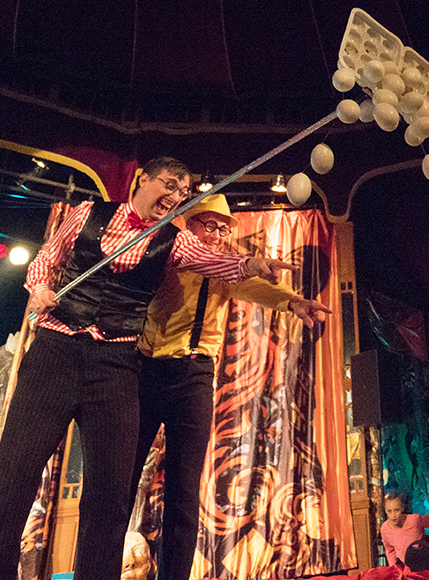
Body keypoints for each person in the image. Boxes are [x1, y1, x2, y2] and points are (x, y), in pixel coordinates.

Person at [0, 157, 295, 580]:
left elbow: (214, 262)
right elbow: (45, 260)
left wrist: (251, 265)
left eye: (182, 193)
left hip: (116, 366)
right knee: (14, 478)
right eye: (169, 186)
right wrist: (40, 287)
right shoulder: (87, 213)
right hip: (55, 352)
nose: (174, 197)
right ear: (143, 180)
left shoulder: (174, 240)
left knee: (110, 497)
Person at [129, 194, 330, 580]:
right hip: (148, 370)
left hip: (194, 376)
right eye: (211, 226)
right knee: (124, 475)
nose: (218, 235)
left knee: (184, 490)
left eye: (224, 229)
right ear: (190, 225)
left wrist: (293, 303)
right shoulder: (168, 254)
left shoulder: (226, 266)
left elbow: (255, 287)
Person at [380, 491, 429, 568]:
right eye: (389, 511)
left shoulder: (414, 520)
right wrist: (394, 569)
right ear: (385, 510)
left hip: (423, 564)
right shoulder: (385, 529)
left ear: (402, 508)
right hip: (405, 567)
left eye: (396, 510)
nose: (393, 515)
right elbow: (390, 551)